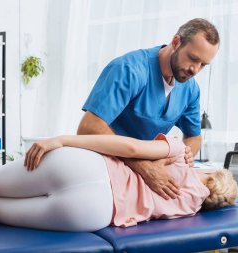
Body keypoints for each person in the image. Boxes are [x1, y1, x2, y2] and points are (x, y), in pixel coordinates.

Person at [0, 133, 237, 233]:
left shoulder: (181, 155)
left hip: (85, 169)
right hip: (93, 213)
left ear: (211, 175)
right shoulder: (190, 208)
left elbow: (131, 149)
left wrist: (61, 140)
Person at [78, 18, 220, 200]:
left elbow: (194, 137)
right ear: (176, 42)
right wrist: (143, 166)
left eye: (203, 65)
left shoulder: (190, 89)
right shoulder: (129, 69)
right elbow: (88, 128)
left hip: (149, 175)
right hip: (104, 167)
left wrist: (183, 157)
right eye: (193, 59)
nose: (195, 70)